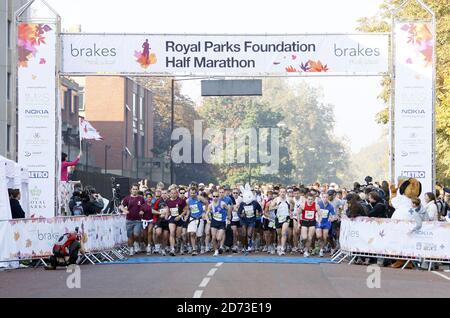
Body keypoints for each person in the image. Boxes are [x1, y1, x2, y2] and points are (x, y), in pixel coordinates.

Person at [120, 184, 146, 256]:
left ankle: (136, 242)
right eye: (133, 189)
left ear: (138, 190)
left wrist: (142, 211)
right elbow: (121, 206)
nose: (135, 190)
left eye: (136, 189)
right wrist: (124, 210)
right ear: (131, 190)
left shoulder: (141, 198)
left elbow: (145, 207)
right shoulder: (127, 198)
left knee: (136, 234)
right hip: (129, 220)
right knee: (129, 235)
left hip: (138, 220)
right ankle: (131, 249)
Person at [207, 190, 230, 256]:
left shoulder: (222, 203)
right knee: (213, 237)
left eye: (217, 196)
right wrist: (208, 219)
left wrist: (228, 218)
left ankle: (220, 246)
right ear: (212, 197)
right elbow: (207, 213)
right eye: (214, 196)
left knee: (219, 238)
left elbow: (228, 209)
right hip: (214, 221)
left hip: (222, 222)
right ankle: (216, 250)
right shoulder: (210, 205)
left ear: (219, 197)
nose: (215, 198)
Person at [165, 188, 188, 256]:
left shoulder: (181, 201)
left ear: (177, 193)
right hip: (172, 218)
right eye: (172, 193)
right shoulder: (168, 201)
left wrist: (180, 216)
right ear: (170, 194)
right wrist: (166, 215)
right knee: (172, 232)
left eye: (174, 193)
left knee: (178, 236)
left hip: (179, 218)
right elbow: (168, 209)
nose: (173, 194)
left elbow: (185, 210)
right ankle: (172, 249)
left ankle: (181, 245)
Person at [186, 187, 208, 256]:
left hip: (200, 218)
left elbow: (207, 203)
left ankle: (199, 244)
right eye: (191, 193)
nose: (192, 194)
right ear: (189, 193)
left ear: (196, 193)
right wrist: (187, 215)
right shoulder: (188, 200)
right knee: (192, 233)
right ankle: (194, 249)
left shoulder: (199, 198)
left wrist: (205, 212)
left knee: (199, 235)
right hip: (192, 218)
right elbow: (189, 209)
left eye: (194, 193)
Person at [300, 192, 321, 257]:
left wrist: (319, 221)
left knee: (310, 238)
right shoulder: (303, 205)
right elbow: (298, 213)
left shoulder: (316, 206)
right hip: (304, 221)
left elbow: (320, 215)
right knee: (304, 237)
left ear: (313, 200)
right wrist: (298, 222)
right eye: (309, 199)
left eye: (311, 199)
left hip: (312, 222)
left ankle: (306, 251)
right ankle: (302, 243)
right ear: (307, 199)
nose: (310, 201)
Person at [275, 187, 293, 256]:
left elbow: (293, 204)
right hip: (278, 218)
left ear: (285, 193)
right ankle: (279, 245)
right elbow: (270, 208)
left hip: (286, 217)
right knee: (279, 234)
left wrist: (291, 210)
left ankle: (282, 248)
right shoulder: (276, 199)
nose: (282, 193)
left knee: (283, 232)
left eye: (284, 192)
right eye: (281, 192)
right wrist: (275, 207)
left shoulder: (289, 199)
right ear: (279, 193)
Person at [316, 192, 335, 257]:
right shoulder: (318, 204)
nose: (325, 198)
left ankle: (321, 250)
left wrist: (332, 218)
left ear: (328, 198)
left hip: (326, 223)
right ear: (322, 198)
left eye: (326, 197)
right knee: (319, 236)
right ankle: (321, 245)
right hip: (319, 222)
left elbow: (333, 215)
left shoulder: (330, 206)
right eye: (324, 197)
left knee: (325, 237)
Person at [154, 189, 169, 255]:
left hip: (167, 221)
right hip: (159, 220)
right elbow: (152, 210)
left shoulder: (170, 201)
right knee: (158, 233)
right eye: (162, 193)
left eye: (165, 193)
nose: (164, 194)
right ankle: (157, 245)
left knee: (165, 236)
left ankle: (163, 249)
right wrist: (159, 213)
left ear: (167, 193)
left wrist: (167, 214)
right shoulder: (158, 201)